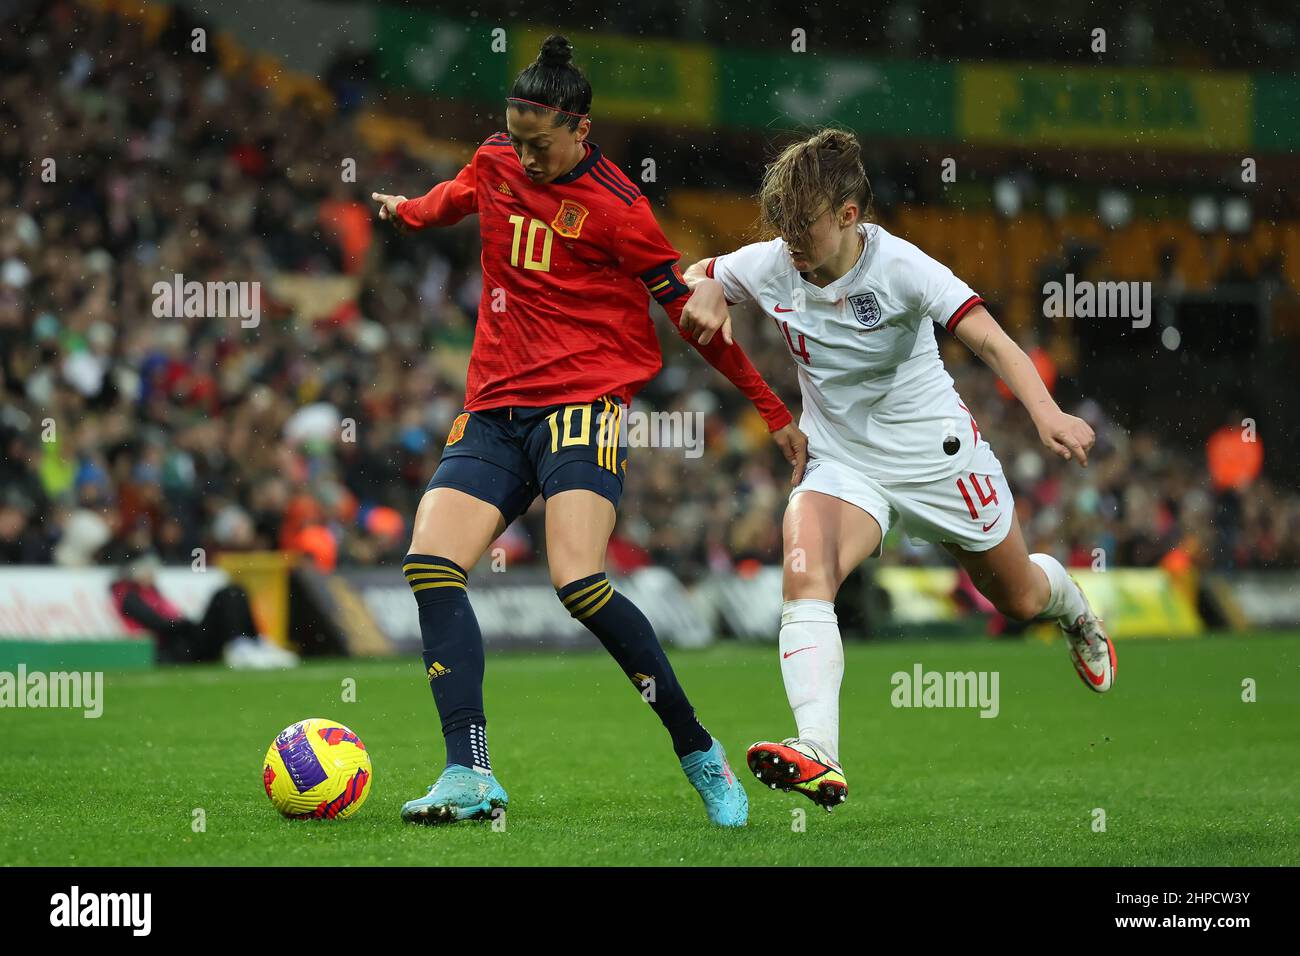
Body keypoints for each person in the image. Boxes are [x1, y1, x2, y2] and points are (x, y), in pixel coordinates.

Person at [371, 35, 807, 827]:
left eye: (541, 145)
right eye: (518, 141)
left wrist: (772, 410)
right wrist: (408, 211)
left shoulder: (619, 209)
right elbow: (459, 193)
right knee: (431, 565)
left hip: (584, 406)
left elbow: (692, 319)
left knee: (577, 583)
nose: (526, 159)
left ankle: (697, 748)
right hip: (495, 408)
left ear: (581, 128)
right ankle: (469, 772)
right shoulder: (499, 157)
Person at [678, 128, 1116, 811]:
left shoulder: (904, 268)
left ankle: (1077, 613)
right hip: (843, 462)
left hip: (936, 456)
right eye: (782, 224)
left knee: (1019, 599)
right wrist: (704, 284)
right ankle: (819, 748)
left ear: (849, 216)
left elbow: (993, 341)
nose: (790, 239)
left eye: (805, 224)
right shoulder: (771, 263)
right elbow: (696, 273)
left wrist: (1047, 414)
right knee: (806, 564)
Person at [110, 554, 298, 668]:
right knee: (226, 595)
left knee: (236, 590)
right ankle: (240, 645)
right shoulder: (128, 597)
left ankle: (255, 641)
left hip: (186, 639)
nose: (152, 573)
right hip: (178, 647)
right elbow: (158, 624)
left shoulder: (151, 591)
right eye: (147, 568)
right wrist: (187, 624)